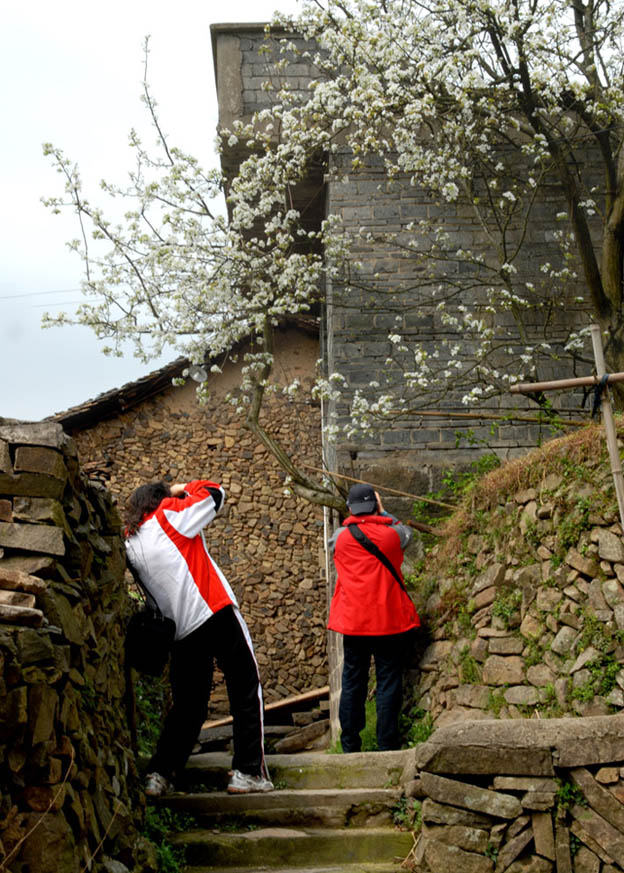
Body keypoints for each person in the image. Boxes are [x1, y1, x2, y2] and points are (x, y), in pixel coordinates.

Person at [124, 478, 273, 797]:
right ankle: (248, 771)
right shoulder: (168, 514)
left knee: (188, 707)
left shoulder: (130, 541)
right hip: (213, 611)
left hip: (179, 633)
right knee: (245, 686)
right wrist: (182, 487)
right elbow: (215, 494)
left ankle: (159, 774)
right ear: (159, 500)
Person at [328, 483, 420, 753]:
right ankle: (387, 744)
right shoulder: (393, 536)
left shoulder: (339, 537)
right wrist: (384, 511)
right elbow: (406, 531)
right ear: (375, 505)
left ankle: (350, 745)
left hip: (353, 622)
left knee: (353, 680)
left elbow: (338, 540)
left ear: (350, 509)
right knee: (388, 679)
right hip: (388, 620)